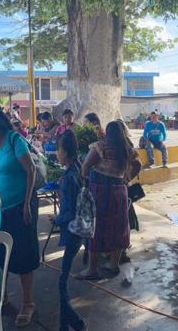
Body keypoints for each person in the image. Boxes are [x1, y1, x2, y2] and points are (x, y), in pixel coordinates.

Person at [0, 111, 39, 327]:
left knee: (24, 255)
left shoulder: (15, 141)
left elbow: (30, 170)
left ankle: (28, 302)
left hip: (20, 208)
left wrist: (26, 204)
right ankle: (3, 298)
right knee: (0, 254)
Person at [80, 121, 141, 280]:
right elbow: (138, 164)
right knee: (118, 227)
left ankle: (92, 270)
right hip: (119, 191)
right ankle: (113, 265)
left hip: (100, 191)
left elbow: (86, 166)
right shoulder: (126, 148)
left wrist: (86, 180)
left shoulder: (100, 147)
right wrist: (127, 178)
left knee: (96, 228)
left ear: (107, 132)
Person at [51, 130, 87, 331]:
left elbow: (69, 212)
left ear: (64, 152)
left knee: (62, 281)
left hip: (72, 232)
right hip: (78, 231)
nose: (56, 153)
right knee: (62, 280)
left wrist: (57, 219)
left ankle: (76, 322)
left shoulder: (68, 179)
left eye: (58, 149)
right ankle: (64, 325)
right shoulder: (77, 169)